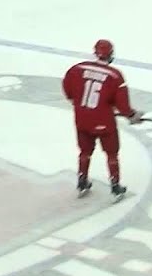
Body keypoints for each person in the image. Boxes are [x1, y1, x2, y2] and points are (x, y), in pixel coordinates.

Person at [61, 39, 143, 200]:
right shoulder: (115, 76)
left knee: (85, 152)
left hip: (82, 120)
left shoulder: (77, 69)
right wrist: (132, 116)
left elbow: (68, 88)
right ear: (111, 54)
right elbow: (123, 106)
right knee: (112, 154)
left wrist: (77, 102)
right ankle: (115, 187)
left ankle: (82, 181)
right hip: (104, 123)